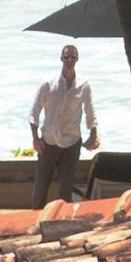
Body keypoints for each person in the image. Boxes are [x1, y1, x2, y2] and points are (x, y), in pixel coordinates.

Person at [29, 45, 101, 206]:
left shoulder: (83, 85)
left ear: (77, 59)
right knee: (41, 187)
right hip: (48, 142)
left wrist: (93, 134)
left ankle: (63, 218)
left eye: (73, 57)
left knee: (66, 190)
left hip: (71, 143)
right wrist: (35, 139)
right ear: (61, 59)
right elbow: (34, 112)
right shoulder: (48, 84)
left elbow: (90, 111)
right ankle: (36, 217)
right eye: (66, 57)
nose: (69, 60)